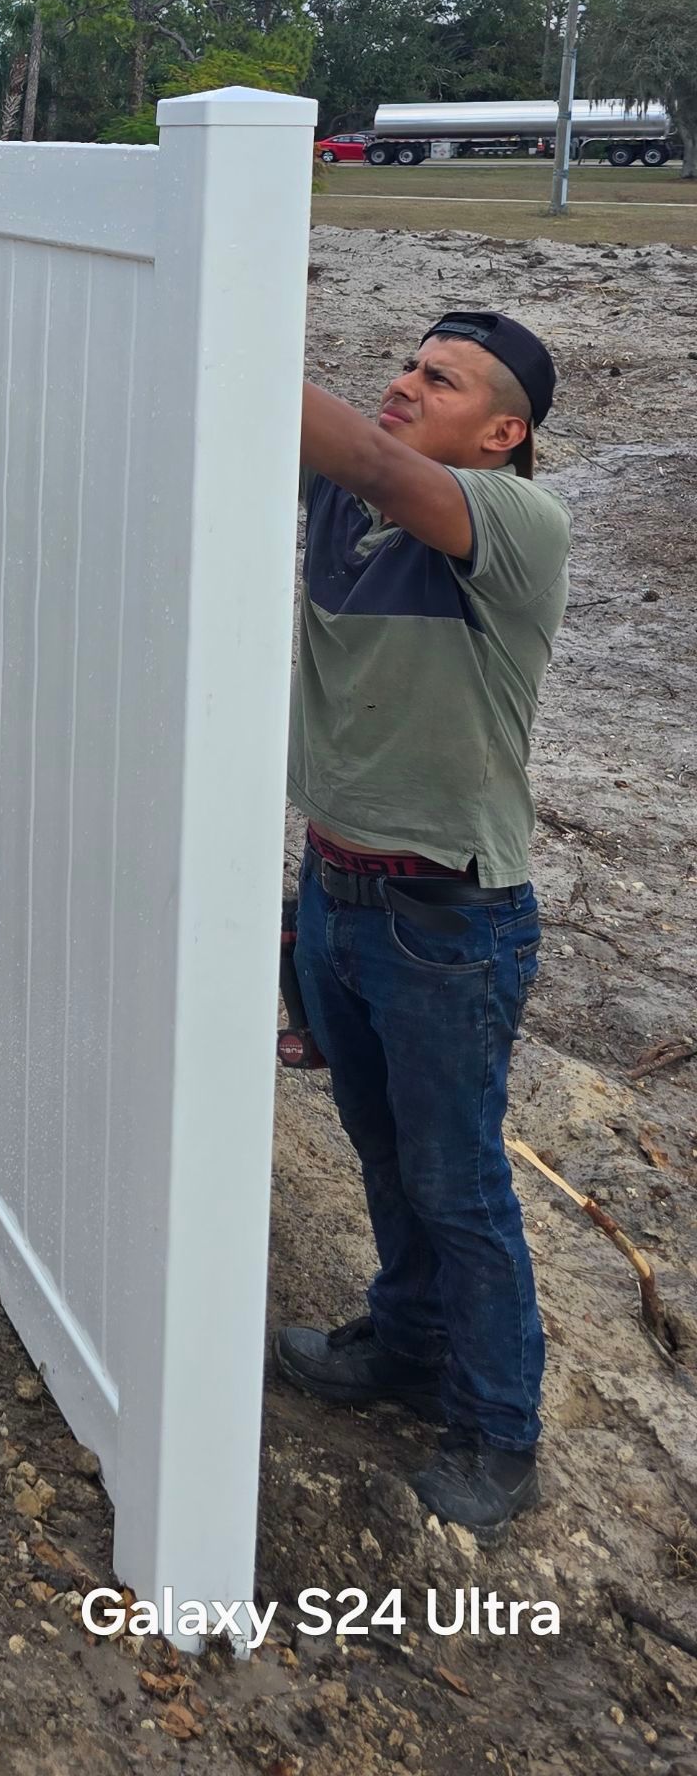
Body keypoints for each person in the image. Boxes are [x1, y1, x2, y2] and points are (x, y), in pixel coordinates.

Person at [273, 310, 569, 1536]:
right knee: (385, 1154)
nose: (402, 382)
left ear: (502, 434)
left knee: (461, 1186)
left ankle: (501, 1433)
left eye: (438, 379)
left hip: (450, 919)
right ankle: (404, 1346)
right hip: (336, 891)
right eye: (404, 362)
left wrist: (218, 299)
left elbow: (378, 463)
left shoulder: (513, 526)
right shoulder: (342, 509)